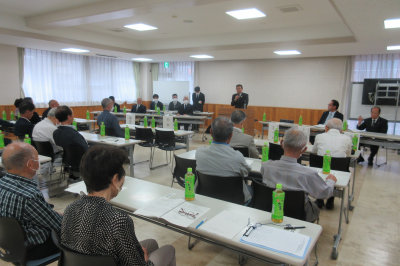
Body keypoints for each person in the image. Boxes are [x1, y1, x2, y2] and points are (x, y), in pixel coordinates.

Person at [61, 146, 176, 266]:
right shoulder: (118, 220)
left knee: (151, 243)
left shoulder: (70, 209)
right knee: (169, 249)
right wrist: (145, 259)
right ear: (115, 179)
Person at [0, 142, 62, 260]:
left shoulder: (2, 183)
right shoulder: (28, 196)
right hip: (32, 249)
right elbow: (59, 225)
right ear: (30, 164)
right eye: (37, 159)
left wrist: (51, 213)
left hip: (8, 244)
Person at [260, 128, 337, 222]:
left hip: (270, 209)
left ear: (281, 144)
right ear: (304, 149)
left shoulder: (266, 166)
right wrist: (330, 180)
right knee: (315, 207)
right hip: (300, 214)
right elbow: (325, 193)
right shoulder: (309, 174)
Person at [196, 117, 252, 205]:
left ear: (211, 132)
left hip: (205, 197)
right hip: (234, 201)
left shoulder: (199, 152)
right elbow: (246, 173)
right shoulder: (237, 157)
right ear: (231, 135)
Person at [312, 118, 352, 209]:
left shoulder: (319, 136)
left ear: (326, 127)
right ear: (342, 130)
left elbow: (314, 151)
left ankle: (319, 199)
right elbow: (348, 155)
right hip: (339, 171)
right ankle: (330, 200)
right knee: (335, 169)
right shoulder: (347, 139)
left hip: (320, 170)